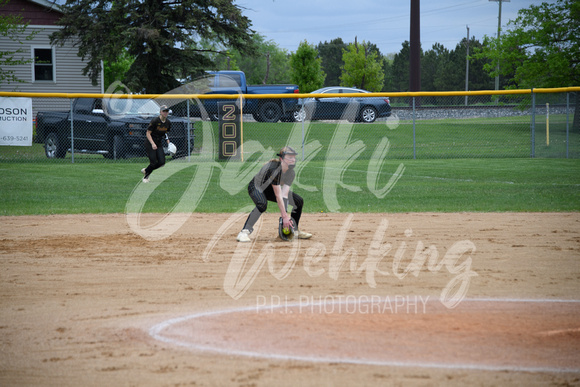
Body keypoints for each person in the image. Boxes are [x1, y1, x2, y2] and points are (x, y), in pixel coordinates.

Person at [237, 146, 312, 242]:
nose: (293, 160)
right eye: (289, 157)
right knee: (262, 204)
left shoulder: (291, 173)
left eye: (293, 157)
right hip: (256, 187)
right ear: (281, 159)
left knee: (298, 201)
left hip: (271, 189)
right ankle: (244, 232)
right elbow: (278, 196)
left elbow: (284, 195)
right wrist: (284, 216)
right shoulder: (274, 170)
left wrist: (285, 219)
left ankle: (294, 230)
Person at [141, 105, 171, 183]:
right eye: (163, 111)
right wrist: (152, 143)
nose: (165, 113)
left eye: (166, 111)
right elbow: (148, 133)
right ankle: (146, 177)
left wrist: (169, 143)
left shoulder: (168, 122)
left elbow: (165, 134)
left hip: (158, 143)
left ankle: (146, 170)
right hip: (150, 142)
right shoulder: (155, 121)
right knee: (153, 162)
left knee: (162, 163)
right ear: (160, 112)